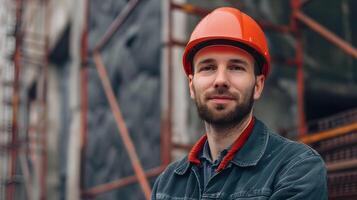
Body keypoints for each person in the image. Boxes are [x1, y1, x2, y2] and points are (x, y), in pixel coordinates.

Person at [152, 7, 327, 200]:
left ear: (258, 85)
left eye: (236, 67)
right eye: (208, 67)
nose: (220, 80)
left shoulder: (296, 167)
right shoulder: (167, 184)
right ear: (192, 86)